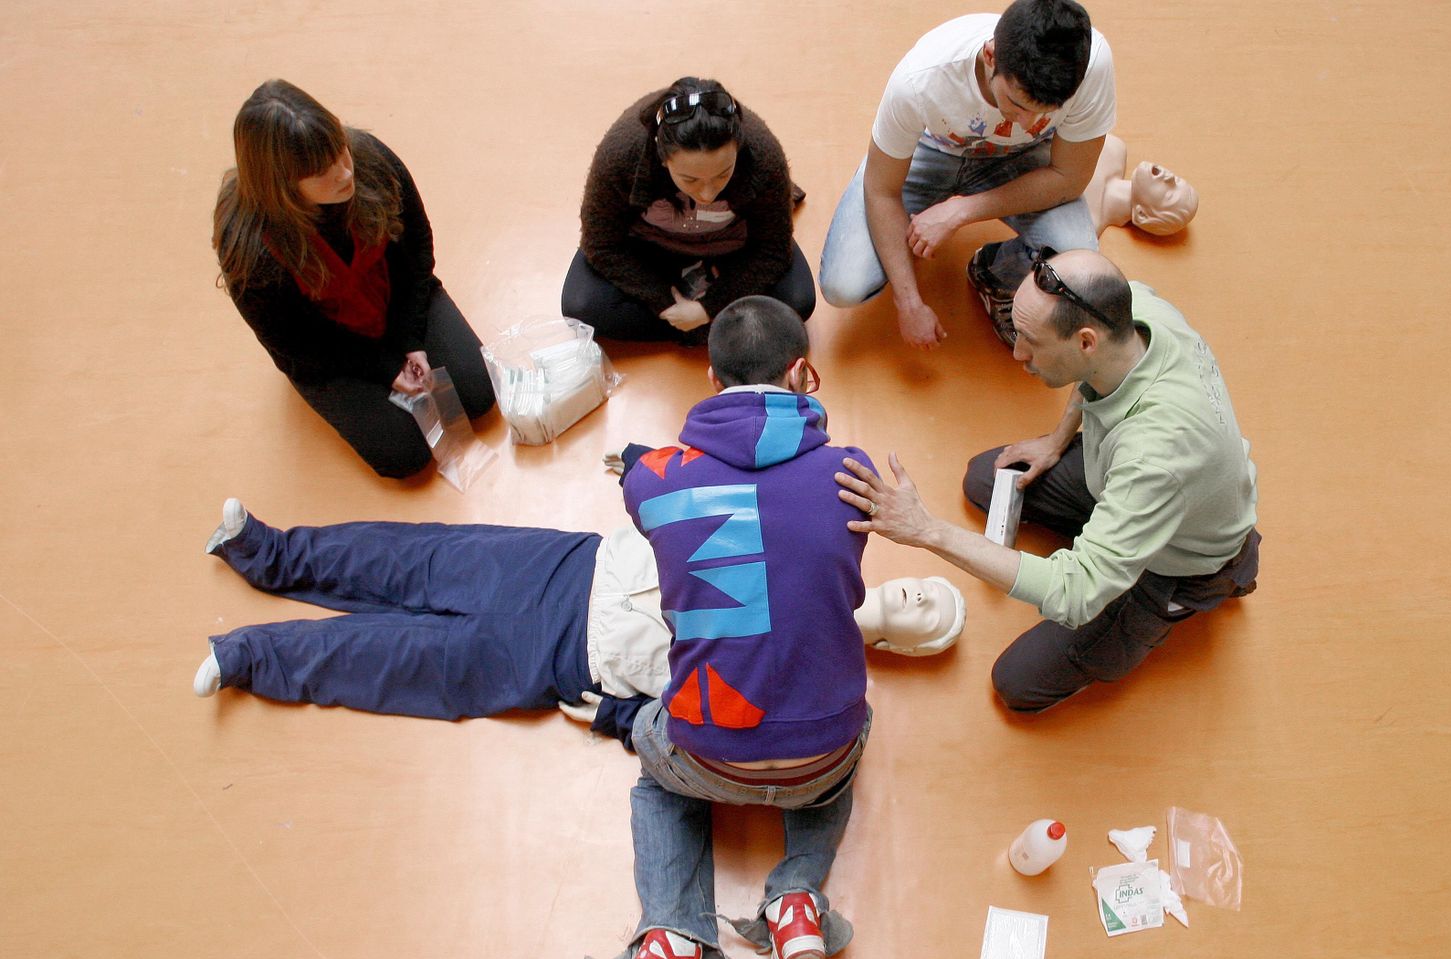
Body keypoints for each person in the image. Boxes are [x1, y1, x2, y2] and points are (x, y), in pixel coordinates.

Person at [574, 297, 874, 959]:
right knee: (847, 739)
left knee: (656, 774)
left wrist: (652, 462)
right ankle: (796, 902)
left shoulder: (652, 481)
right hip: (819, 755)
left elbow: (660, 486)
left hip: (711, 757)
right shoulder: (851, 472)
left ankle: (672, 941)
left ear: (710, 377)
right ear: (804, 373)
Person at [835, 250, 1260, 712]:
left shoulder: (1154, 459)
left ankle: (1200, 593)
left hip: (1177, 562)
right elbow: (1092, 378)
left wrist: (927, 531)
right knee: (988, 478)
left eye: (1031, 342)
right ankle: (1106, 529)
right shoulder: (1133, 311)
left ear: (1084, 342)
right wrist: (1056, 442)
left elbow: (1075, 594)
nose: (1018, 353)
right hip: (1133, 482)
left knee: (1017, 685)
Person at [193, 500, 964, 740]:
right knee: (408, 560)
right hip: (576, 566)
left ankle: (248, 660)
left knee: (392, 657)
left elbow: (720, 731)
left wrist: (622, 721)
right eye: (930, 589)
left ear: (905, 648)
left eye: (929, 619)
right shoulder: (816, 541)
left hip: (565, 653)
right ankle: (263, 550)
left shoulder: (818, 682)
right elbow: (714, 500)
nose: (920, 599)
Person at [212, 80, 495, 478]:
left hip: (396, 303)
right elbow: (295, 345)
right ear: (283, 188)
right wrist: (384, 368)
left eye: (340, 152)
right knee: (405, 457)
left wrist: (411, 341)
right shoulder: (249, 248)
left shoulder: (369, 159)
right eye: (322, 174)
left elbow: (417, 249)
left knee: (480, 393)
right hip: (330, 351)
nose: (346, 174)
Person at [818, 0, 1115, 350]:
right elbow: (882, 190)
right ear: (990, 56)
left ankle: (993, 272)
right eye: (1017, 105)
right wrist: (909, 303)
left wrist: (960, 210)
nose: (1030, 124)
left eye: (1047, 113)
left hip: (1017, 159)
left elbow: (1068, 178)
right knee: (844, 285)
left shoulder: (1091, 63)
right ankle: (886, 155)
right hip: (931, 152)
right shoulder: (920, 79)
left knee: (1077, 256)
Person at [560, 78, 815, 347]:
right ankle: (716, 330)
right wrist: (667, 304)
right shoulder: (621, 155)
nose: (707, 194)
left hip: (732, 248)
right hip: (649, 249)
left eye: (722, 175)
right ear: (662, 157)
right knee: (580, 306)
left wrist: (708, 308)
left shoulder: (763, 156)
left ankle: (700, 324)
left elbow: (772, 249)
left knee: (799, 301)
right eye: (690, 180)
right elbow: (601, 245)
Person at [1083, 133, 1198, 237]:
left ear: (1142, 215)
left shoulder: (1085, 224)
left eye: (1169, 195)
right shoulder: (1114, 149)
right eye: (1177, 180)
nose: (1170, 178)